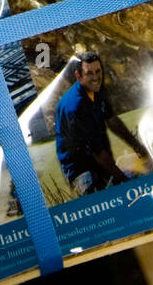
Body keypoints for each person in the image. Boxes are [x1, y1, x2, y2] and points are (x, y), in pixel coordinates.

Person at [55, 52, 148, 197]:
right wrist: (126, 181)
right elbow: (97, 151)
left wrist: (137, 146)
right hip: (79, 168)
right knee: (103, 201)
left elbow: (111, 120)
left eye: (98, 72)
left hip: (99, 155)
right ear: (78, 76)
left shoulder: (97, 89)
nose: (96, 77)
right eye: (89, 73)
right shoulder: (75, 107)